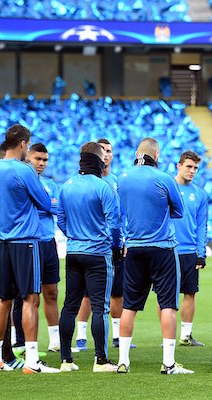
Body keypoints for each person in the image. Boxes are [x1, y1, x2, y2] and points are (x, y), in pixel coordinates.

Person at [0, 124, 58, 373]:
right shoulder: (24, 170)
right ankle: (31, 361)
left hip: (2, 244)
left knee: (3, 301)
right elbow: (45, 203)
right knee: (31, 298)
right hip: (26, 243)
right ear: (25, 144)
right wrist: (56, 202)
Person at [115, 137, 192, 374]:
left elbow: (120, 212)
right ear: (156, 156)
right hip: (162, 248)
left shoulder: (122, 178)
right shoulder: (164, 178)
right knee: (167, 304)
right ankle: (168, 363)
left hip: (135, 248)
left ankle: (123, 362)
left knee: (130, 306)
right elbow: (178, 210)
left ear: (137, 153)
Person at [55, 142, 119, 373]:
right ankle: (100, 360)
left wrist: (73, 235)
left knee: (69, 306)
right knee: (100, 308)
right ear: (99, 160)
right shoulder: (103, 187)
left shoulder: (67, 186)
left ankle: (66, 360)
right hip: (97, 254)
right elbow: (114, 224)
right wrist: (116, 246)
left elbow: (60, 220)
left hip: (73, 252)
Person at [75, 138, 133, 351]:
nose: (106, 154)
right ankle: (81, 336)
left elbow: (124, 214)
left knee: (118, 292)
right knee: (88, 294)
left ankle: (117, 335)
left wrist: (124, 239)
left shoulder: (119, 182)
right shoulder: (92, 182)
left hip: (115, 244)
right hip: (94, 245)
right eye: (103, 151)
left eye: (110, 150)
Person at [26, 143, 61, 353]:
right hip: (29, 243)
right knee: (30, 295)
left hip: (49, 243)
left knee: (52, 292)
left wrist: (46, 205)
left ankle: (55, 340)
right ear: (28, 157)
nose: (41, 163)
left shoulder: (50, 184)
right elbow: (49, 205)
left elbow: (57, 207)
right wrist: (48, 204)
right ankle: (22, 341)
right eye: (37, 158)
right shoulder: (23, 183)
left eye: (44, 160)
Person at [172, 151, 208, 347]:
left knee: (190, 292)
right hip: (169, 249)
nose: (192, 171)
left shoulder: (200, 194)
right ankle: (167, 334)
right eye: (188, 166)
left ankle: (186, 335)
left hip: (190, 251)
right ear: (179, 166)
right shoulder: (167, 188)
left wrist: (200, 253)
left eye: (195, 168)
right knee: (166, 294)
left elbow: (201, 225)